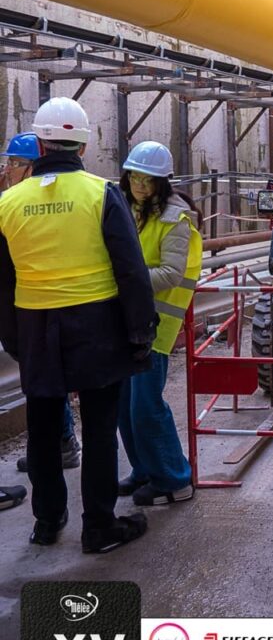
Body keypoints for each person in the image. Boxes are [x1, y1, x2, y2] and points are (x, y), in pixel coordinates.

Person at [0, 97, 157, 552]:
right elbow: (131, 270)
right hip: (96, 326)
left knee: (43, 427)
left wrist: (13, 338)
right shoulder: (101, 194)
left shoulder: (8, 202)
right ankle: (99, 526)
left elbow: (2, 279)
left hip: (35, 326)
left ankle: (47, 522)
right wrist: (140, 332)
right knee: (100, 427)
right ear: (84, 147)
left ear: (40, 145)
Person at [117, 140, 201, 506]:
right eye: (134, 177)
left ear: (161, 182)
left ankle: (175, 479)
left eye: (147, 179)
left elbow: (170, 273)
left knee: (145, 405)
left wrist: (123, 279)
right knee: (125, 405)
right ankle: (145, 470)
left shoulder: (174, 219)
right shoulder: (126, 208)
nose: (139, 185)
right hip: (126, 319)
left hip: (156, 323)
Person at [1, 133, 81, 473]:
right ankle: (61, 442)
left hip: (43, 306)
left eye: (15, 163)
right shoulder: (15, 201)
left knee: (46, 383)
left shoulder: (34, 202)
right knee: (46, 382)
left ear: (33, 166)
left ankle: (61, 443)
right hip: (34, 306)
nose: (8, 169)